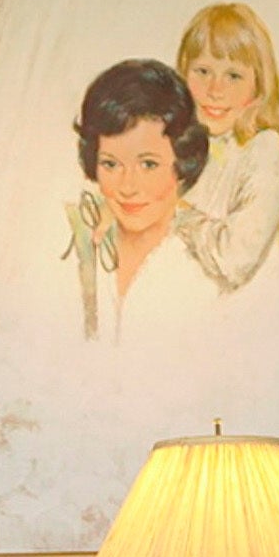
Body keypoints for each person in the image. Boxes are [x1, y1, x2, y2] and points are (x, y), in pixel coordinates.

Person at [64, 58, 214, 343]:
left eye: (148, 165)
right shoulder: (74, 249)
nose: (128, 187)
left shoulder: (206, 266)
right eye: (110, 164)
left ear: (183, 161)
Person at [173, 1, 279, 293]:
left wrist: (175, 212)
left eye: (233, 76)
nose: (215, 90)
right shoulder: (183, 144)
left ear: (259, 86)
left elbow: (236, 260)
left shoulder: (265, 150)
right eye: (203, 71)